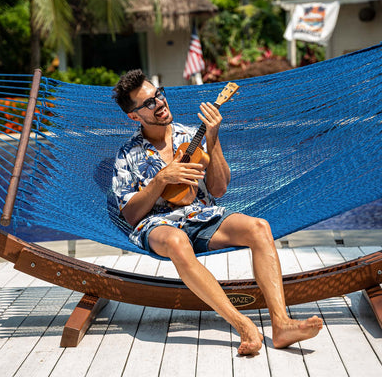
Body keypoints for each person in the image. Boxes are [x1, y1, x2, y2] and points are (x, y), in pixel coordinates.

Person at [112, 69, 322, 356]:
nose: (159, 103)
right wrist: (161, 179)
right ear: (134, 116)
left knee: (259, 227)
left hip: (201, 216)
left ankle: (282, 323)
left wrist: (214, 139)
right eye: (148, 103)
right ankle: (242, 324)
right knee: (176, 241)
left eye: (158, 94)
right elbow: (131, 215)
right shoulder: (127, 154)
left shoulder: (190, 135)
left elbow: (219, 189)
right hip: (157, 224)